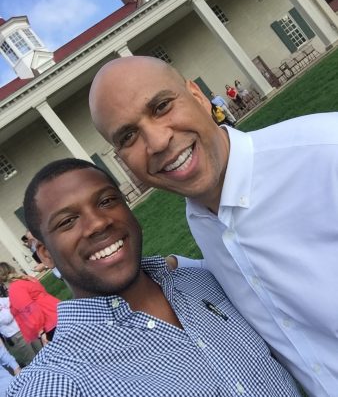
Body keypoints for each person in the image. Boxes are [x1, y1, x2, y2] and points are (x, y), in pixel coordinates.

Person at [88, 56, 338, 397]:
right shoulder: (201, 221)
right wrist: (173, 267)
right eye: (129, 136)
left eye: (161, 106)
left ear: (198, 95)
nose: (158, 141)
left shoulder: (326, 152)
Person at [8, 158, 301, 396]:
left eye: (107, 201)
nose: (98, 223)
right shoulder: (59, 378)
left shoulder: (203, 281)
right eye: (68, 221)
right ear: (45, 254)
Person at [0, 263, 59, 347]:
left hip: (48, 324)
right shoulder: (26, 279)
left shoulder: (15, 288)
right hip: (57, 312)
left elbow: (30, 310)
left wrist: (41, 331)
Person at [0, 297, 40, 366]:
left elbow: (18, 303)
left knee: (42, 350)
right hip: (16, 335)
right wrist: (12, 307)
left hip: (26, 327)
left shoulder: (2, 299)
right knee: (32, 360)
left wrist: (9, 307)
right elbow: (6, 318)